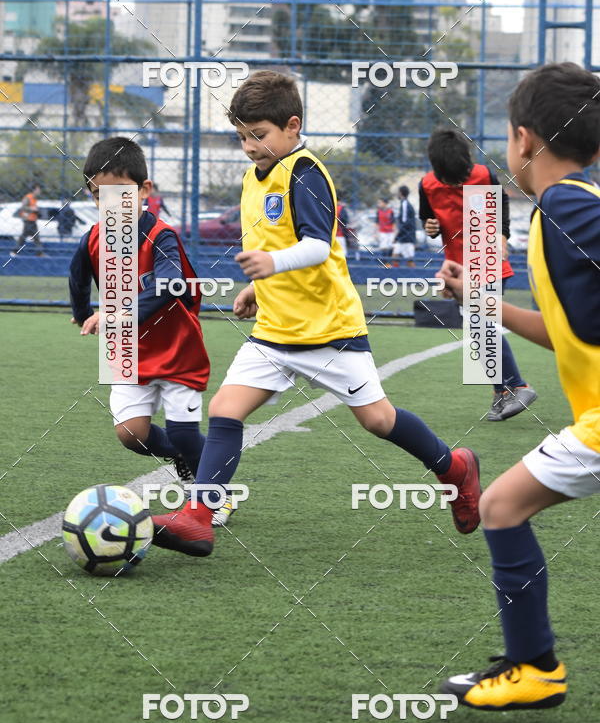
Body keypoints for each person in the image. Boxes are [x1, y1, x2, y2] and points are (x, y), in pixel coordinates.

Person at [151, 69, 482, 557]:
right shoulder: (252, 178)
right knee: (224, 410)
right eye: (241, 136)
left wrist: (269, 265)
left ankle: (453, 468)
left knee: (378, 420)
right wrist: (257, 288)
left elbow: (313, 247)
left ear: (292, 125)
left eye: (257, 135)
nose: (248, 146)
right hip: (275, 332)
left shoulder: (305, 174)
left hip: (330, 333)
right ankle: (199, 518)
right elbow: (274, 244)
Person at [438, 62, 600, 711]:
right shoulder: (562, 210)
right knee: (505, 505)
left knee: (501, 506)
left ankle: (534, 669)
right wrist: (482, 300)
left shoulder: (564, 203)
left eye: (506, 135)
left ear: (524, 139)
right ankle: (532, 667)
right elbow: (571, 334)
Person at [68, 138, 224, 521]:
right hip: (125, 351)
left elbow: (167, 290)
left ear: (144, 190)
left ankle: (215, 490)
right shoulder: (93, 237)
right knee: (130, 434)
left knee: (186, 433)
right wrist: (81, 310)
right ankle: (186, 461)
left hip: (176, 348)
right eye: (98, 196)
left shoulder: (162, 236)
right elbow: (77, 275)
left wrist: (113, 314)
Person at [419, 127, 536, 422]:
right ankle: (502, 393)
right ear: (438, 170)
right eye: (451, 179)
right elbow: (428, 219)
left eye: (462, 176)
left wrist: (503, 235)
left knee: (481, 325)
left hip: (488, 262)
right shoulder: (427, 185)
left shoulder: (483, 176)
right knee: (478, 332)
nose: (458, 182)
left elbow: (502, 205)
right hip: (458, 270)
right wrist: (429, 227)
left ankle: (517, 386)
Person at [11, 183, 44, 256]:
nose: (40, 191)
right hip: (28, 220)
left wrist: (37, 211)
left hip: (32, 220)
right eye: (38, 189)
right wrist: (32, 208)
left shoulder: (34, 198)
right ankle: (15, 251)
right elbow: (23, 207)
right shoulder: (28, 197)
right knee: (27, 236)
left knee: (33, 236)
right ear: (34, 190)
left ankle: (39, 253)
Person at [392, 184, 416, 266]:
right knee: (395, 256)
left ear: (401, 193)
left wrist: (397, 236)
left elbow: (404, 222)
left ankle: (414, 275)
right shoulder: (404, 203)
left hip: (406, 236)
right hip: (404, 236)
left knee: (409, 260)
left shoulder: (405, 204)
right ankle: (395, 273)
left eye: (398, 192)